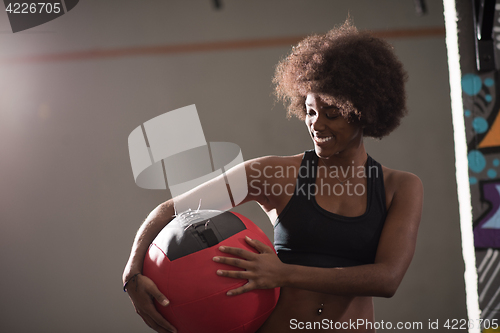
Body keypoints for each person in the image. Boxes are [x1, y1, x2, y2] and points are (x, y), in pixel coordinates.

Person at [122, 20, 423, 333]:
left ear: (362, 111)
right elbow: (170, 210)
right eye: (310, 111)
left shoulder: (399, 188)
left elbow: (387, 279)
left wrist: (285, 274)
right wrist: (131, 277)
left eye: (331, 113)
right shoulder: (274, 174)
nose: (317, 124)